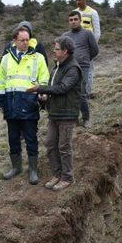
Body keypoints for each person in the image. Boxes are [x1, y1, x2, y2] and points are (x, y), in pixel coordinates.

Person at [26, 36, 82, 191]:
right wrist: (45, 97)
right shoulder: (57, 67)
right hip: (55, 112)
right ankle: (57, 174)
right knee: (50, 144)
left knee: (64, 147)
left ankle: (67, 177)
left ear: (65, 51)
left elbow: (63, 88)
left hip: (67, 114)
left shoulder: (73, 69)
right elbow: (54, 88)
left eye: (57, 49)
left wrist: (40, 88)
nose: (54, 51)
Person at [0, 26, 49, 185]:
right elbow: (1, 81)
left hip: (30, 104)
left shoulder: (38, 57)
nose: (26, 43)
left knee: (31, 138)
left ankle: (33, 170)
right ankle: (16, 167)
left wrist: (42, 93)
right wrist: (1, 102)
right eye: (22, 40)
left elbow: (44, 78)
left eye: (27, 40)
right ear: (15, 41)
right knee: (13, 138)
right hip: (11, 105)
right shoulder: (6, 58)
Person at [63, 11, 98, 127]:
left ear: (80, 20)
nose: (73, 22)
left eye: (75, 19)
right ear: (69, 22)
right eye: (71, 20)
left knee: (81, 93)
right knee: (70, 94)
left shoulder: (88, 34)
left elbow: (95, 50)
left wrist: (86, 59)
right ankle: (74, 119)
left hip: (83, 67)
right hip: (70, 68)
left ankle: (86, 118)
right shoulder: (65, 36)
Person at [74, 0, 101, 100]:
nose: (78, 2)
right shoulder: (75, 13)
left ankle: (87, 94)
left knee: (88, 71)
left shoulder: (93, 13)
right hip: (76, 48)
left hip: (88, 48)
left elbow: (97, 32)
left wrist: (92, 47)